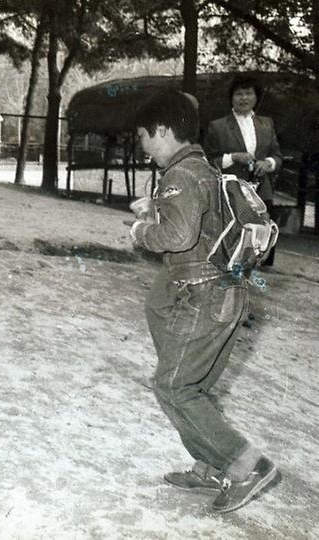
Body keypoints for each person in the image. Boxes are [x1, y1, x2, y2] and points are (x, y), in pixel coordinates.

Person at [130, 90, 278, 514]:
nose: (142, 145)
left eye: (144, 136)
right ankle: (212, 466)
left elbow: (176, 237)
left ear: (161, 131)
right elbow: (195, 224)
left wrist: (141, 232)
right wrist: (154, 208)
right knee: (189, 387)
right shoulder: (201, 167)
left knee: (173, 385)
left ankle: (249, 466)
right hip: (223, 294)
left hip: (204, 297)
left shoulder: (180, 175)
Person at [204, 75, 282, 266]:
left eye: (249, 93)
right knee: (231, 247)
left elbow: (277, 156)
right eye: (239, 94)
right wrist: (233, 157)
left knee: (261, 246)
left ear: (256, 97)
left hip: (261, 193)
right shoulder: (218, 126)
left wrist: (268, 163)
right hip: (232, 193)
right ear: (231, 98)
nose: (244, 98)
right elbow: (206, 160)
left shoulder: (267, 124)